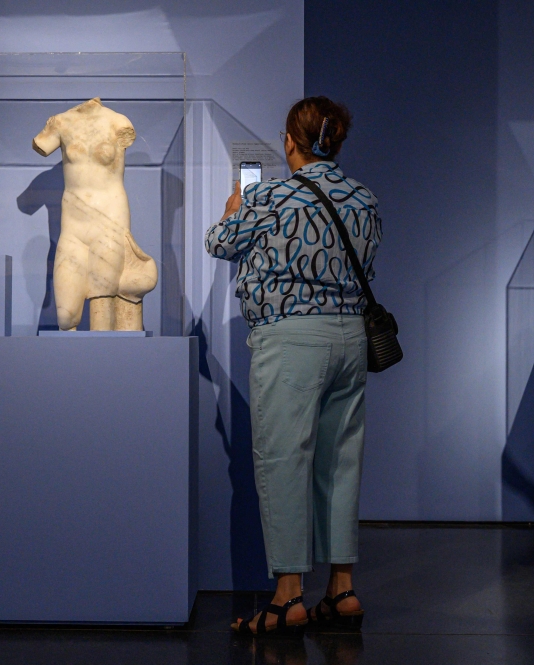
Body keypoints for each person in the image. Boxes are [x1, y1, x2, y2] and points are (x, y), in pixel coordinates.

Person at [205, 96, 382, 637]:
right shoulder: (365, 199)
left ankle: (288, 598)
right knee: (340, 463)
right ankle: (342, 590)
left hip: (290, 341)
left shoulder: (271, 195)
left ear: (290, 141)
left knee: (284, 461)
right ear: (337, 141)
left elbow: (219, 243)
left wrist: (232, 211)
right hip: (351, 341)